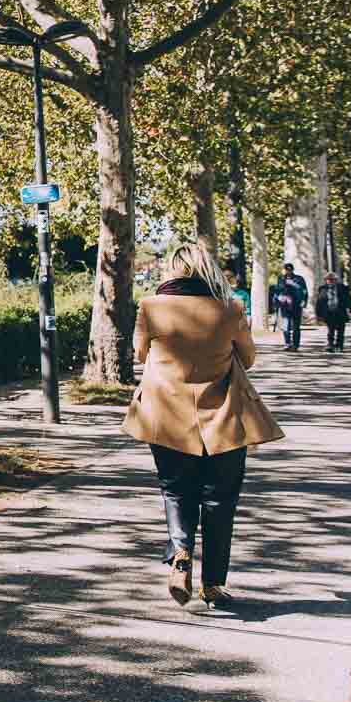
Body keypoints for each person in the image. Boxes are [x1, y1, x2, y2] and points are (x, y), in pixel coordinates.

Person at [125, 241, 283, 607]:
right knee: (219, 500)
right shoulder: (230, 308)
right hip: (224, 417)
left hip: (165, 416)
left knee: (176, 490)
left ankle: (180, 553)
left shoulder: (151, 306)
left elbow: (140, 353)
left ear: (171, 270)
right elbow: (249, 357)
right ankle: (212, 584)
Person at [269, 263, 308, 351]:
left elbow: (304, 290)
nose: (288, 271)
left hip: (296, 305)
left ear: (292, 270)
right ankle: (287, 343)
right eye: (286, 269)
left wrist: (304, 302)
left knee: (296, 327)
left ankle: (295, 345)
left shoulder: (299, 279)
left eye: (290, 269)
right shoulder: (281, 278)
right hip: (285, 306)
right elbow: (277, 291)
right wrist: (277, 300)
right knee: (286, 326)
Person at [314, 271, 351, 351]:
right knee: (331, 330)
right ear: (326, 280)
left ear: (336, 280)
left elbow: (348, 299)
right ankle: (330, 345)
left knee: (340, 330)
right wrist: (318, 314)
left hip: (340, 311)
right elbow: (319, 301)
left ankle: (339, 345)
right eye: (328, 279)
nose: (330, 281)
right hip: (329, 312)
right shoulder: (322, 288)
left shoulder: (342, 287)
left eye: (332, 279)